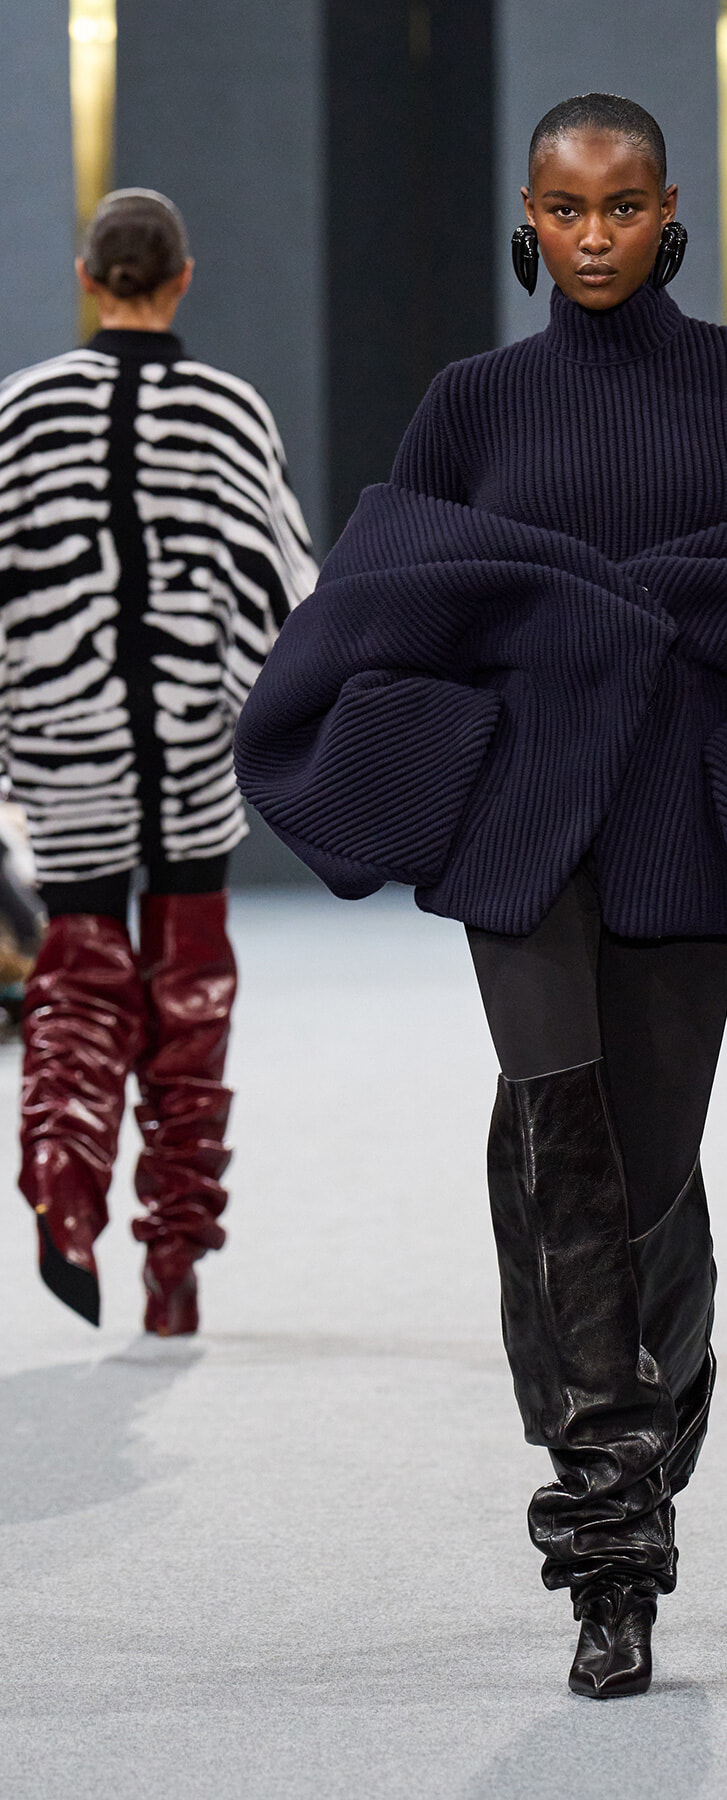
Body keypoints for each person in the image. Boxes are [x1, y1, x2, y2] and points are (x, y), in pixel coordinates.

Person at [236, 97, 727, 1696]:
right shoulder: (472, 401)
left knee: (643, 1168)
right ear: (529, 213)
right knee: (562, 1137)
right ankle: (611, 1550)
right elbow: (391, 605)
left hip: (677, 829)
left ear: (671, 215)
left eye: (625, 205)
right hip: (525, 828)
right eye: (568, 209)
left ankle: (657, 1383)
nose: (595, 235)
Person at [0, 188, 316, 1335]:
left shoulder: (20, 414)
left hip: (64, 743)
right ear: (185, 277)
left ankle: (64, 1186)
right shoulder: (232, 414)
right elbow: (287, 588)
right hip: (192, 743)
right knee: (191, 990)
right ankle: (172, 1259)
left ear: (90, 279)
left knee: (77, 968)